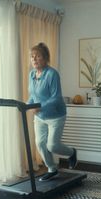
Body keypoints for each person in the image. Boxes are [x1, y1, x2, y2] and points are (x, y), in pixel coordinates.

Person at [27, 42, 77, 181]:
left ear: (45, 58)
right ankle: (52, 168)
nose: (34, 59)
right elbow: (33, 95)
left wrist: (40, 106)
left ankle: (72, 152)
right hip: (40, 116)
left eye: (38, 56)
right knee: (40, 144)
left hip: (56, 115)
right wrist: (26, 105)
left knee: (52, 145)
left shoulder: (52, 74)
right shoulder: (32, 75)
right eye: (32, 57)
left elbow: (56, 97)